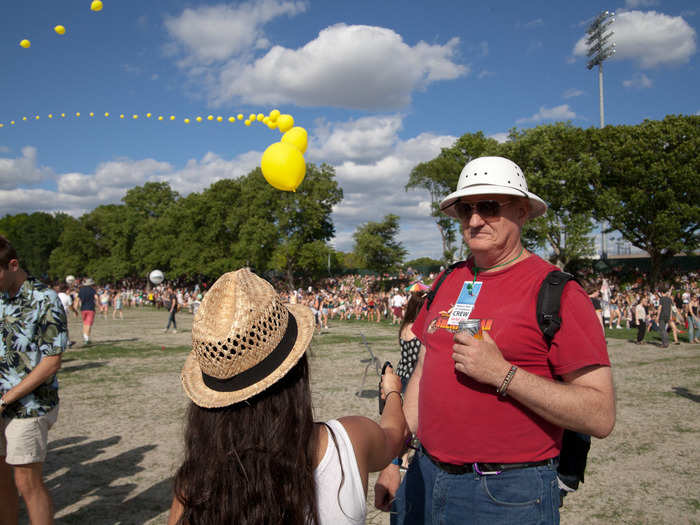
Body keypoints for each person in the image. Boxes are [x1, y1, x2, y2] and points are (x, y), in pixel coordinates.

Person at [377, 156, 615, 524]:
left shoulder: (558, 292)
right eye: (465, 209)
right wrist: (396, 461)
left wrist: (503, 373)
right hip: (424, 476)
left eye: (488, 207)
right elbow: (423, 375)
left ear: (522, 212)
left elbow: (600, 416)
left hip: (506, 492)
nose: (474, 220)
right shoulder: (447, 281)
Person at [167, 269, 407, 524]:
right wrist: (393, 392)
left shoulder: (193, 486)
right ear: (297, 369)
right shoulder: (351, 439)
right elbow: (395, 434)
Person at [0, 235, 67, 525]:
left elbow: (51, 362)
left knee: (27, 483)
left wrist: (6, 398)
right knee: (2, 483)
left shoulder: (45, 299)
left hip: (30, 406)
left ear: (12, 265)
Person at [375, 289, 428, 518]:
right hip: (413, 377)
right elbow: (420, 359)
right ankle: (404, 456)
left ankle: (401, 457)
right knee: (409, 419)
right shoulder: (418, 329)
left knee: (401, 418)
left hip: (401, 373)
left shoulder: (403, 328)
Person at [77, 278, 98, 345]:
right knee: (88, 324)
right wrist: (99, 305)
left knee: (85, 323)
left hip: (83, 309)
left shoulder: (81, 290)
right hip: (90, 308)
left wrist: (75, 307)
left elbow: (77, 299)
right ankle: (86, 338)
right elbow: (96, 297)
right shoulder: (92, 290)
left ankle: (86, 337)